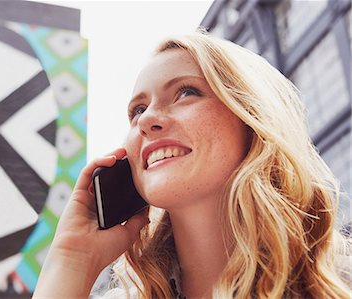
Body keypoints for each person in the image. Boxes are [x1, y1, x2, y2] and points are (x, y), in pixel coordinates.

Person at [32, 30, 352, 299]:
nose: (147, 121)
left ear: (253, 119)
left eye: (185, 92)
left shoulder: (340, 282)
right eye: (137, 110)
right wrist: (72, 260)